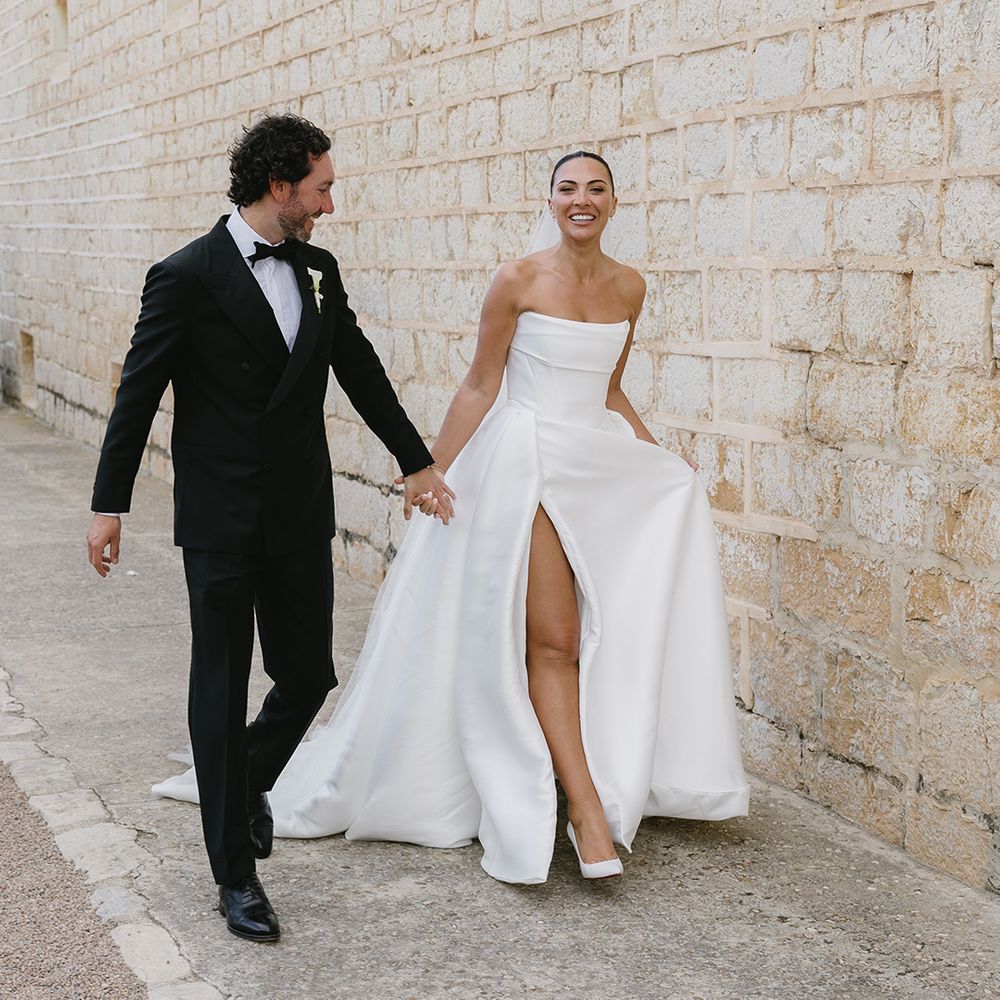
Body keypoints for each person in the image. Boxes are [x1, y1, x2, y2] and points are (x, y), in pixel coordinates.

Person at [155, 150, 750, 885]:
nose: (581, 200)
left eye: (596, 189)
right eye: (568, 188)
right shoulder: (518, 280)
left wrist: (662, 464)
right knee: (555, 637)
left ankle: (583, 788)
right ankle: (584, 808)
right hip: (526, 464)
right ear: (552, 200)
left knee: (604, 630)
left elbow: (612, 389)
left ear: (615, 203)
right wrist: (427, 468)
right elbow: (479, 383)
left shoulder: (631, 288)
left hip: (595, 465)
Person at [86, 114, 453, 941]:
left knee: (309, 675)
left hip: (296, 509)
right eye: (322, 187)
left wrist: (417, 461)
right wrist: (110, 504)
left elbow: (357, 367)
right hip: (219, 520)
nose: (331, 203)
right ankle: (233, 875)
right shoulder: (184, 275)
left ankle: (243, 779)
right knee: (218, 689)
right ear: (280, 185)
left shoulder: (318, 268)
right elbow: (137, 392)